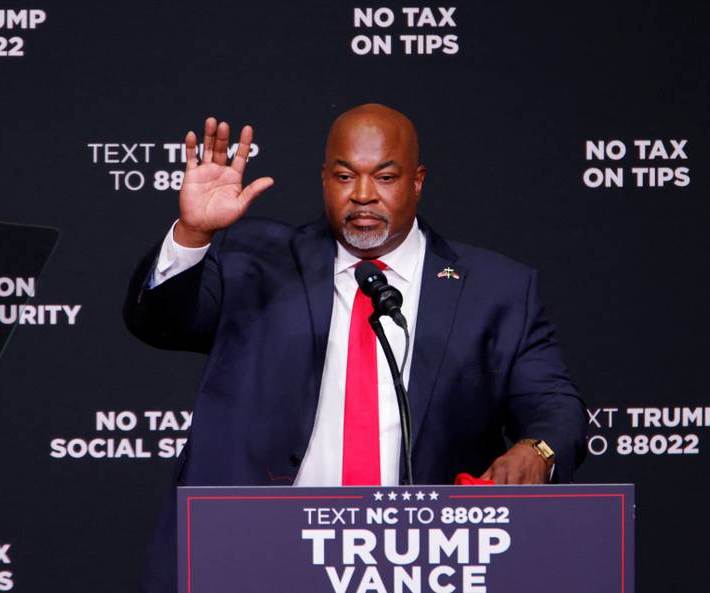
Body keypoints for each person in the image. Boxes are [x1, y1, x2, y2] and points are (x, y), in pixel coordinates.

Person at [124, 104, 587, 592]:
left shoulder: (496, 290)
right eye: (345, 176)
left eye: (385, 177)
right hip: (254, 558)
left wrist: (538, 450)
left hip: (415, 564)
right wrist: (194, 236)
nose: (363, 195)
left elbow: (555, 405)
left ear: (417, 181)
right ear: (325, 179)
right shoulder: (255, 259)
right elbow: (159, 324)